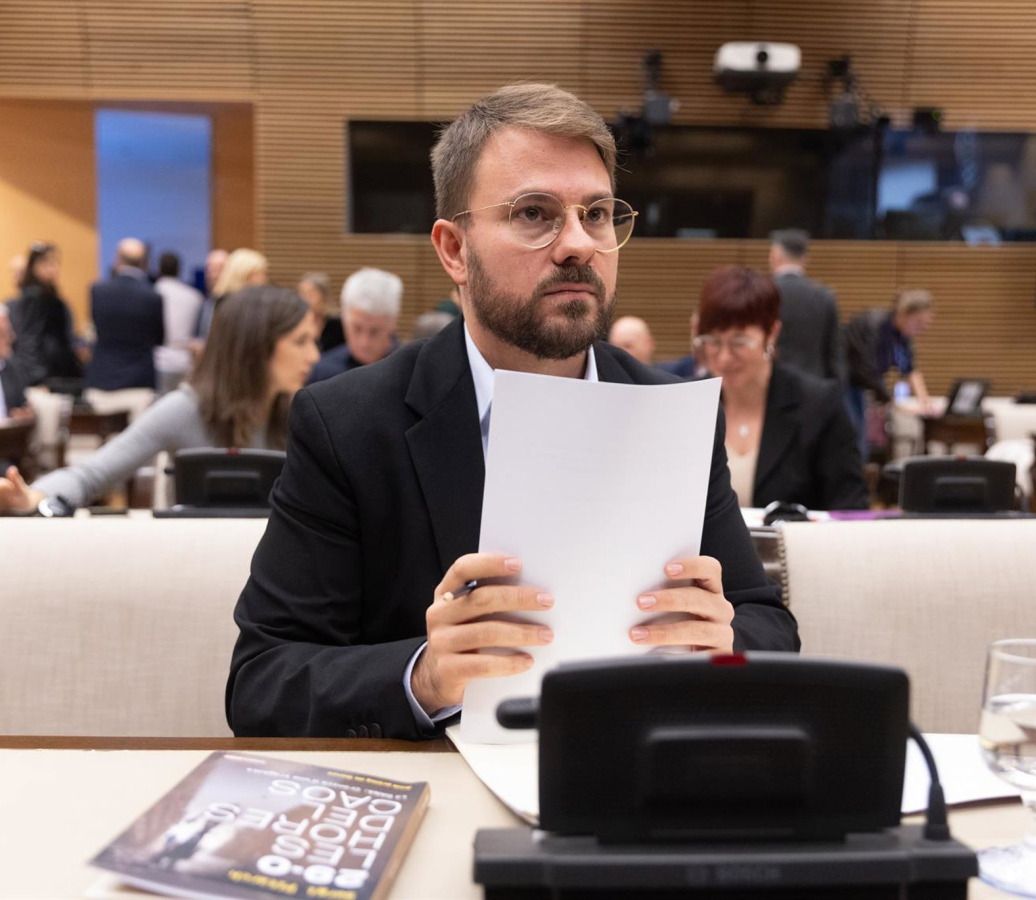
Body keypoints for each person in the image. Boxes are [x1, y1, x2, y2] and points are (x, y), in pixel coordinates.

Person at [227, 83, 798, 740]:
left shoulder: (669, 414)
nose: (579, 244)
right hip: (444, 779)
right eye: (534, 213)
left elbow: (768, 626)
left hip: (632, 768)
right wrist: (422, 676)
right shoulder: (348, 425)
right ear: (454, 250)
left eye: (597, 213)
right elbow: (262, 680)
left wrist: (724, 641)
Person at [0, 286, 319, 514]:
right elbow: (91, 474)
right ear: (257, 348)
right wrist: (31, 497)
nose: (314, 356)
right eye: (300, 341)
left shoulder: (302, 412)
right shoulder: (187, 409)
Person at [696, 265, 866, 511]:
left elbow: (849, 507)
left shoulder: (819, 406)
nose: (723, 357)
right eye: (712, 341)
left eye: (739, 342)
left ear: (771, 334)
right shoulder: (689, 404)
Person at [843, 288, 936, 458]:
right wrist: (894, 403)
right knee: (853, 438)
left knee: (860, 441)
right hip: (842, 382)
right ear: (904, 314)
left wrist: (925, 401)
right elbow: (868, 370)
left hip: (859, 385)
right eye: (918, 323)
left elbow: (910, 369)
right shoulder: (876, 325)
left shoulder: (902, 334)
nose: (920, 329)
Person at [85, 239, 164, 417]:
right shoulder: (152, 296)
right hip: (140, 381)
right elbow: (159, 338)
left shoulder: (97, 291)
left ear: (117, 259)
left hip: (102, 380)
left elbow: (96, 328)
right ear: (144, 263)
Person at [769, 229, 844, 382]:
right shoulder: (824, 296)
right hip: (815, 382)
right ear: (805, 258)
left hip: (773, 382)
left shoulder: (764, 293)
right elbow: (834, 352)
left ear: (776, 255)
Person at [306, 267, 402, 385]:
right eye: (357, 329)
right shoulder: (321, 372)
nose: (364, 342)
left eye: (374, 331)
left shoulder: (411, 372)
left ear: (392, 323)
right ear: (344, 320)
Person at [7, 242, 82, 386]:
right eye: (47, 264)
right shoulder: (33, 297)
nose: (53, 269)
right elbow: (29, 340)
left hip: (60, 373)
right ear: (34, 267)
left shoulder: (51, 297)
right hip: (44, 377)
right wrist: (37, 377)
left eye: (56, 263)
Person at [153, 251, 204, 393]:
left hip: (158, 360)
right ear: (179, 269)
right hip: (184, 361)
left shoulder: (152, 292)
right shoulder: (194, 296)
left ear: (158, 269)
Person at [195, 248, 268, 344]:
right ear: (242, 275)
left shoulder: (260, 304)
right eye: (258, 274)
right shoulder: (222, 304)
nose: (263, 279)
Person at [298, 272, 345, 352]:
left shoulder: (337, 324)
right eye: (302, 294)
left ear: (323, 296)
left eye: (310, 294)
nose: (305, 299)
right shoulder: (294, 325)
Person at [0, 305, 31, 419]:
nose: (12, 337)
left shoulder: (13, 368)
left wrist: (24, 413)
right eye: (2, 333)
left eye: (9, 331)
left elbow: (22, 405)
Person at [192, 248, 229, 341]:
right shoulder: (204, 302)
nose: (212, 274)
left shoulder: (235, 306)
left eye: (218, 268)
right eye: (209, 268)